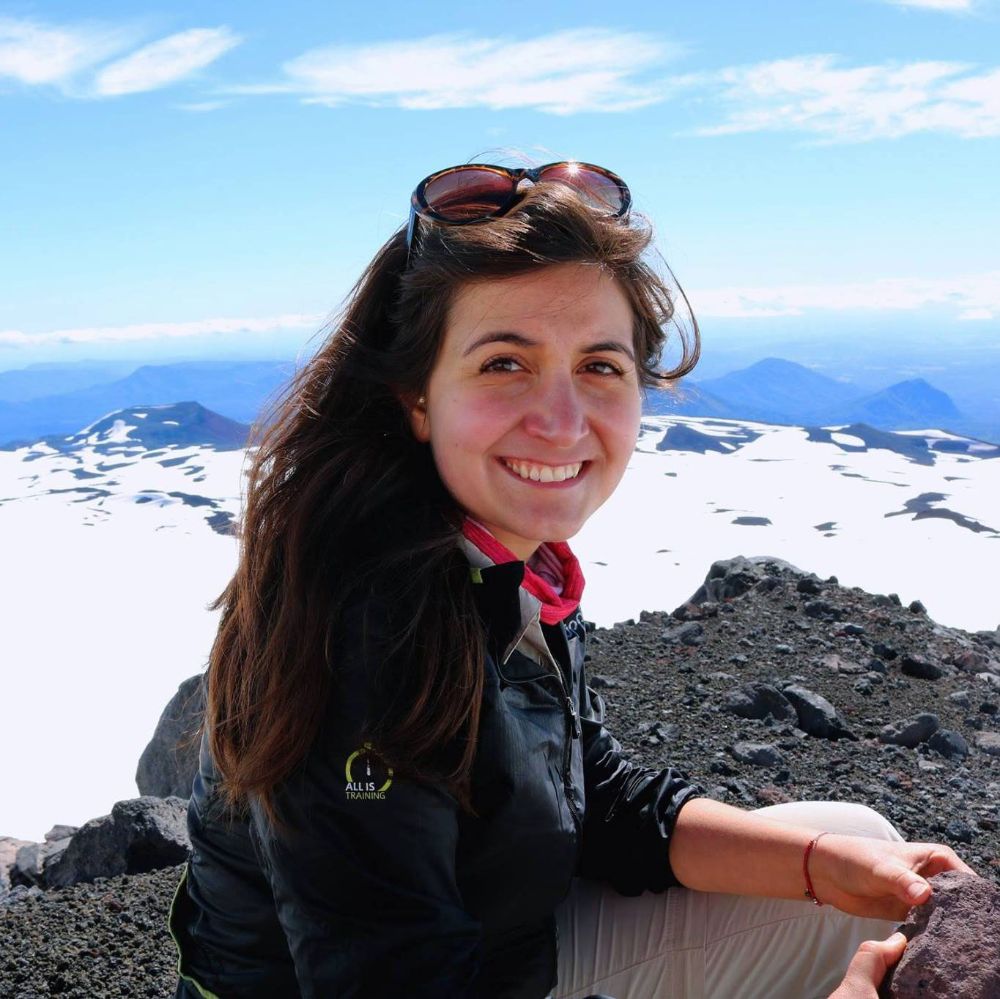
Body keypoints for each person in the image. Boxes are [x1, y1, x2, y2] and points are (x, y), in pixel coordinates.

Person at [167, 160, 973, 998]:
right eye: (504, 363)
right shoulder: (367, 626)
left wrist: (817, 864)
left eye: (599, 366)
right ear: (415, 395)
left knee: (855, 848)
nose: (560, 422)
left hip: (498, 936)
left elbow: (595, 795)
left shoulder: (500, 562)